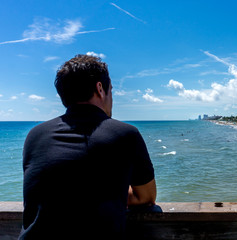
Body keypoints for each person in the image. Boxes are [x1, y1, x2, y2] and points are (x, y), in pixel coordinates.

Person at [20, 55, 159, 240]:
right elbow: (146, 197)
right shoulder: (127, 134)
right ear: (100, 89)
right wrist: (110, 188)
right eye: (111, 90)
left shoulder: (35, 135)